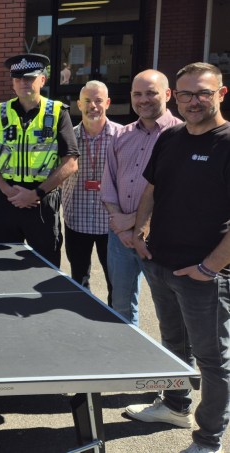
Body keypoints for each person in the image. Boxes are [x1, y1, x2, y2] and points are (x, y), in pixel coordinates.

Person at [125, 62, 230, 453]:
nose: (193, 101)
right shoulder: (170, 137)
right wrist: (140, 231)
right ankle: (173, 406)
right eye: (186, 94)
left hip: (204, 274)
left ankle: (208, 440)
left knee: (212, 360)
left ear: (221, 93)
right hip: (160, 262)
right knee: (172, 344)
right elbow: (152, 187)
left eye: (203, 92)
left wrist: (210, 267)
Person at [0, 53, 79, 267]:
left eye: (30, 78)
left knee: (45, 267)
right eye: (19, 78)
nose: (24, 83)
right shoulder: (1, 112)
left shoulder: (58, 112)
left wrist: (36, 193)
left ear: (42, 80)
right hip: (7, 198)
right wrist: (7, 191)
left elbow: (70, 162)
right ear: (13, 83)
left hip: (41, 201)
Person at [101, 69, 181, 324]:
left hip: (161, 238)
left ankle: (175, 362)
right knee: (121, 305)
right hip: (120, 238)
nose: (143, 99)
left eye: (151, 93)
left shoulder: (183, 136)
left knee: (170, 312)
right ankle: (126, 359)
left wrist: (135, 222)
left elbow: (179, 193)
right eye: (137, 94)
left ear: (168, 94)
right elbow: (108, 183)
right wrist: (120, 224)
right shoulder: (122, 136)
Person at [61, 80, 121, 297]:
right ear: (79, 104)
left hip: (111, 223)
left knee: (115, 281)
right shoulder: (67, 137)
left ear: (108, 103)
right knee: (78, 279)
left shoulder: (122, 136)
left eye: (98, 100)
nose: (93, 106)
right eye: (87, 101)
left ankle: (116, 322)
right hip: (77, 218)